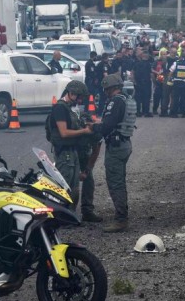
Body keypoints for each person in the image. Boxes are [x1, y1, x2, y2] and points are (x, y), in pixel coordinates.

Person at [93, 73, 136, 233]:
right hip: (125, 143)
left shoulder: (116, 102)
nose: (105, 92)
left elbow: (108, 125)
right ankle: (121, 215)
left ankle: (121, 219)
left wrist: (93, 127)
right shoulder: (127, 100)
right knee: (119, 181)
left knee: (115, 182)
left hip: (116, 147)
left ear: (110, 88)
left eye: (106, 89)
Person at [47, 80, 94, 210]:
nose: (81, 100)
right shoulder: (60, 108)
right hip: (64, 153)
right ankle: (62, 215)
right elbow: (64, 132)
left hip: (73, 152)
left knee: (74, 188)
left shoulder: (71, 108)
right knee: (65, 186)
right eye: (79, 97)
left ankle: (70, 215)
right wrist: (84, 131)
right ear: (72, 93)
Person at [132, 49, 153, 117]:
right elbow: (151, 74)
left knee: (138, 98)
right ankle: (145, 112)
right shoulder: (148, 64)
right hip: (146, 83)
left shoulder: (137, 63)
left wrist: (134, 81)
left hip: (138, 83)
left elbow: (133, 73)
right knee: (146, 98)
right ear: (147, 56)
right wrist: (153, 81)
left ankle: (138, 112)